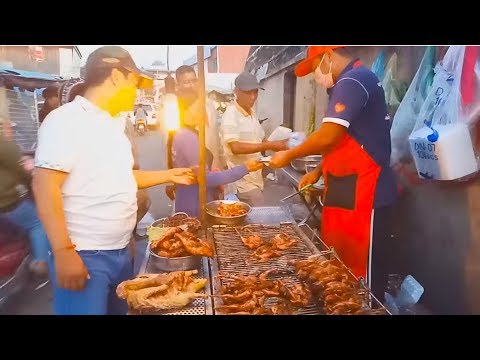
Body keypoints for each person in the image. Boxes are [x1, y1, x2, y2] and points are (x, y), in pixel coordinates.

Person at [32, 46, 196, 315]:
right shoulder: (66, 120)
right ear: (116, 77)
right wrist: (63, 251)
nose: (137, 91)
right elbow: (44, 185)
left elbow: (120, 178)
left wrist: (169, 175)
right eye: (134, 83)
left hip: (119, 252)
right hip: (85, 254)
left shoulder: (113, 125)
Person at [269, 46, 397, 301]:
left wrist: (288, 155)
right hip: (345, 186)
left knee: (363, 280)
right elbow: (344, 139)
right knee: (338, 266)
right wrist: (317, 171)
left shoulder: (353, 80)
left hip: (366, 192)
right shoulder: (347, 82)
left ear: (328, 56)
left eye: (316, 66)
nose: (317, 76)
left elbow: (329, 134)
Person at [171, 98, 264, 217]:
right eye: (198, 108)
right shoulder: (187, 137)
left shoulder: (184, 133)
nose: (203, 112)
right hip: (194, 205)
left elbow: (196, 171)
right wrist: (245, 168)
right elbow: (206, 179)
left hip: (188, 200)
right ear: (185, 111)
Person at [220, 72, 288, 206]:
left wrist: (283, 145)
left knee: (252, 221)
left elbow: (261, 141)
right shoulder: (231, 115)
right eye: (248, 93)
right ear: (236, 91)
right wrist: (270, 146)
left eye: (255, 92)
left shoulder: (252, 113)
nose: (252, 97)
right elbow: (235, 147)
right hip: (242, 182)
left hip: (255, 178)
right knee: (258, 218)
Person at [165, 65, 226, 203]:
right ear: (178, 85)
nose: (191, 86)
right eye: (186, 82)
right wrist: (170, 179)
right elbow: (170, 149)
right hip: (189, 179)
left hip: (213, 174)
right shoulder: (174, 110)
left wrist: (222, 169)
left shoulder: (209, 105)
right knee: (191, 218)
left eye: (194, 81)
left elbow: (217, 140)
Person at [0, 134, 50, 276]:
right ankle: (41, 263)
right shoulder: (4, 145)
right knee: (37, 223)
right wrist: (32, 184)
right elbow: (22, 171)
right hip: (7, 202)